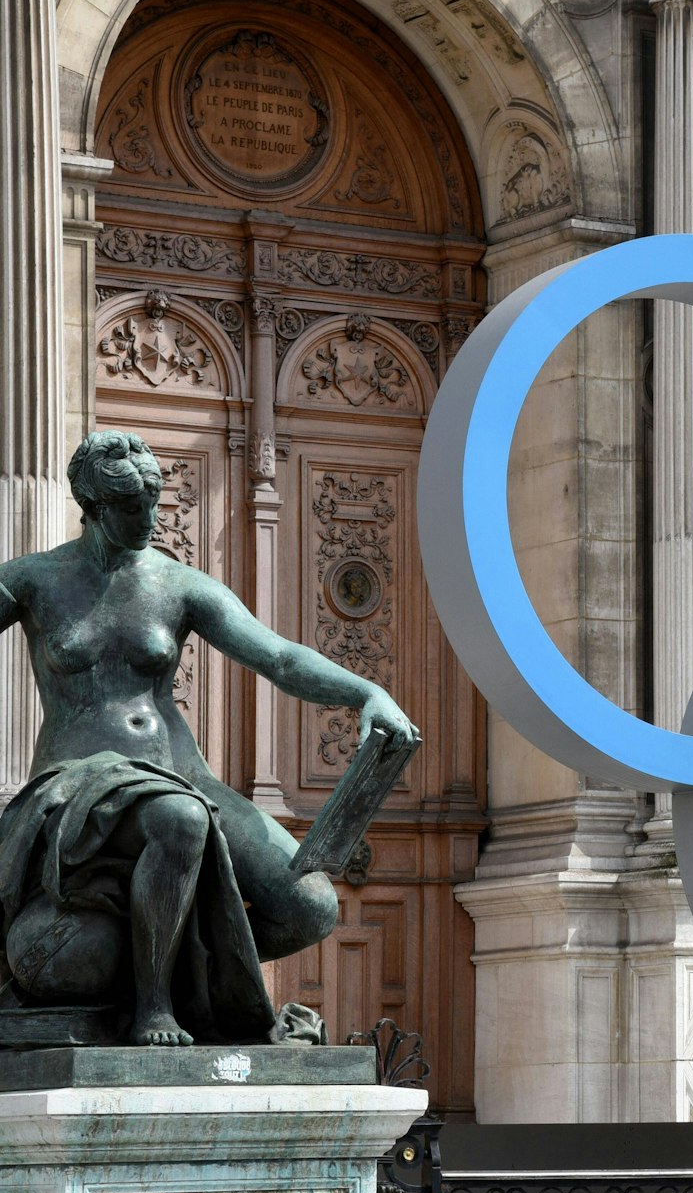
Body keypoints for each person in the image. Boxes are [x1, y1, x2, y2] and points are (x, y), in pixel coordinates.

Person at [0, 430, 420, 1047]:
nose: (147, 519)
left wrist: (365, 692)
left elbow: (277, 655)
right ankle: (153, 1008)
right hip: (81, 778)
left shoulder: (178, 585)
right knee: (181, 821)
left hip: (180, 773)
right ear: (89, 505)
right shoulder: (36, 580)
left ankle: (197, 983)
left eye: (153, 502)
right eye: (128, 507)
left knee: (312, 909)